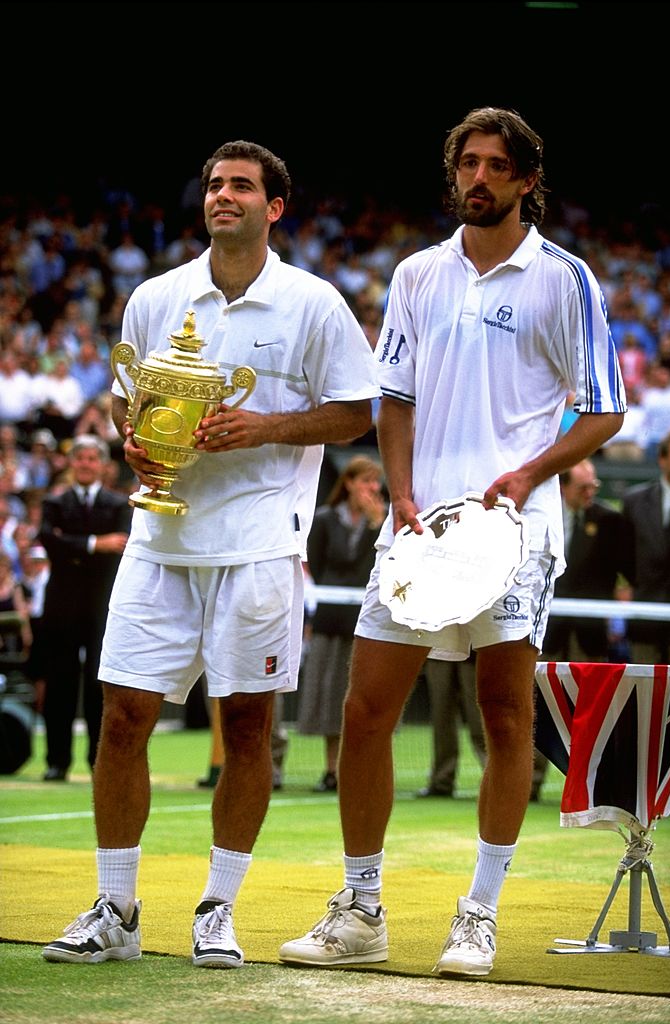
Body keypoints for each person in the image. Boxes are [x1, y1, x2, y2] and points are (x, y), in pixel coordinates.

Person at [279, 106, 626, 979]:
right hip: (418, 530)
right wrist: (399, 490)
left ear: (525, 180)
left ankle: (478, 914)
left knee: (505, 715)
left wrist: (530, 474)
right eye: (466, 163)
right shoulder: (417, 275)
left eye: (495, 165)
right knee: (365, 714)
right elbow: (393, 396)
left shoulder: (565, 279)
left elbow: (605, 407)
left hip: (512, 534)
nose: (477, 177)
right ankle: (362, 911)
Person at [42, 140, 380, 967]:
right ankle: (115, 909)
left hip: (261, 544)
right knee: (121, 718)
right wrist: (133, 444)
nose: (223, 196)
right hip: (160, 538)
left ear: (275, 207)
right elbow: (134, 405)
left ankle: (218, 909)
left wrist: (263, 426)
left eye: (242, 186)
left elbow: (357, 413)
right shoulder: (157, 298)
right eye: (214, 185)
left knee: (247, 724)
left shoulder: (314, 303)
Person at [532, 457, 632, 801]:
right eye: (583, 487)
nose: (590, 493)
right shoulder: (541, 517)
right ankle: (528, 783)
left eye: (595, 487)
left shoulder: (609, 521)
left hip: (589, 635)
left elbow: (626, 572)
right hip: (546, 631)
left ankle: (589, 787)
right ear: (562, 487)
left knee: (591, 712)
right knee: (537, 708)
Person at [38, 435, 132, 781]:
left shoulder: (118, 505)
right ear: (72, 463)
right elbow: (50, 541)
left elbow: (120, 543)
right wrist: (96, 543)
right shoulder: (54, 503)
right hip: (61, 608)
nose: (87, 464)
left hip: (101, 608)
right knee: (59, 686)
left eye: (93, 458)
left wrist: (74, 544)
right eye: (81, 458)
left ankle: (98, 762)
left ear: (103, 465)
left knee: (99, 686)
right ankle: (56, 761)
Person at [296, 454, 386, 792]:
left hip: (368, 621)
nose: (372, 488)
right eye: (365, 480)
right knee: (331, 697)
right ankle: (331, 770)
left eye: (375, 482)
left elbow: (378, 565)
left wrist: (376, 526)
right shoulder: (324, 519)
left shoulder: (384, 521)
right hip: (331, 621)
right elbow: (318, 566)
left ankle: (363, 771)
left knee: (368, 700)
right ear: (348, 483)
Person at [621, 427, 670, 665]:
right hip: (644, 615)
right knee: (643, 691)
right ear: (661, 459)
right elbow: (623, 555)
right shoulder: (633, 501)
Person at [416, 654, 486, 798]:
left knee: (480, 720)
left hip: (474, 653)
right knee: (441, 719)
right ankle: (441, 781)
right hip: (438, 652)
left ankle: (494, 781)